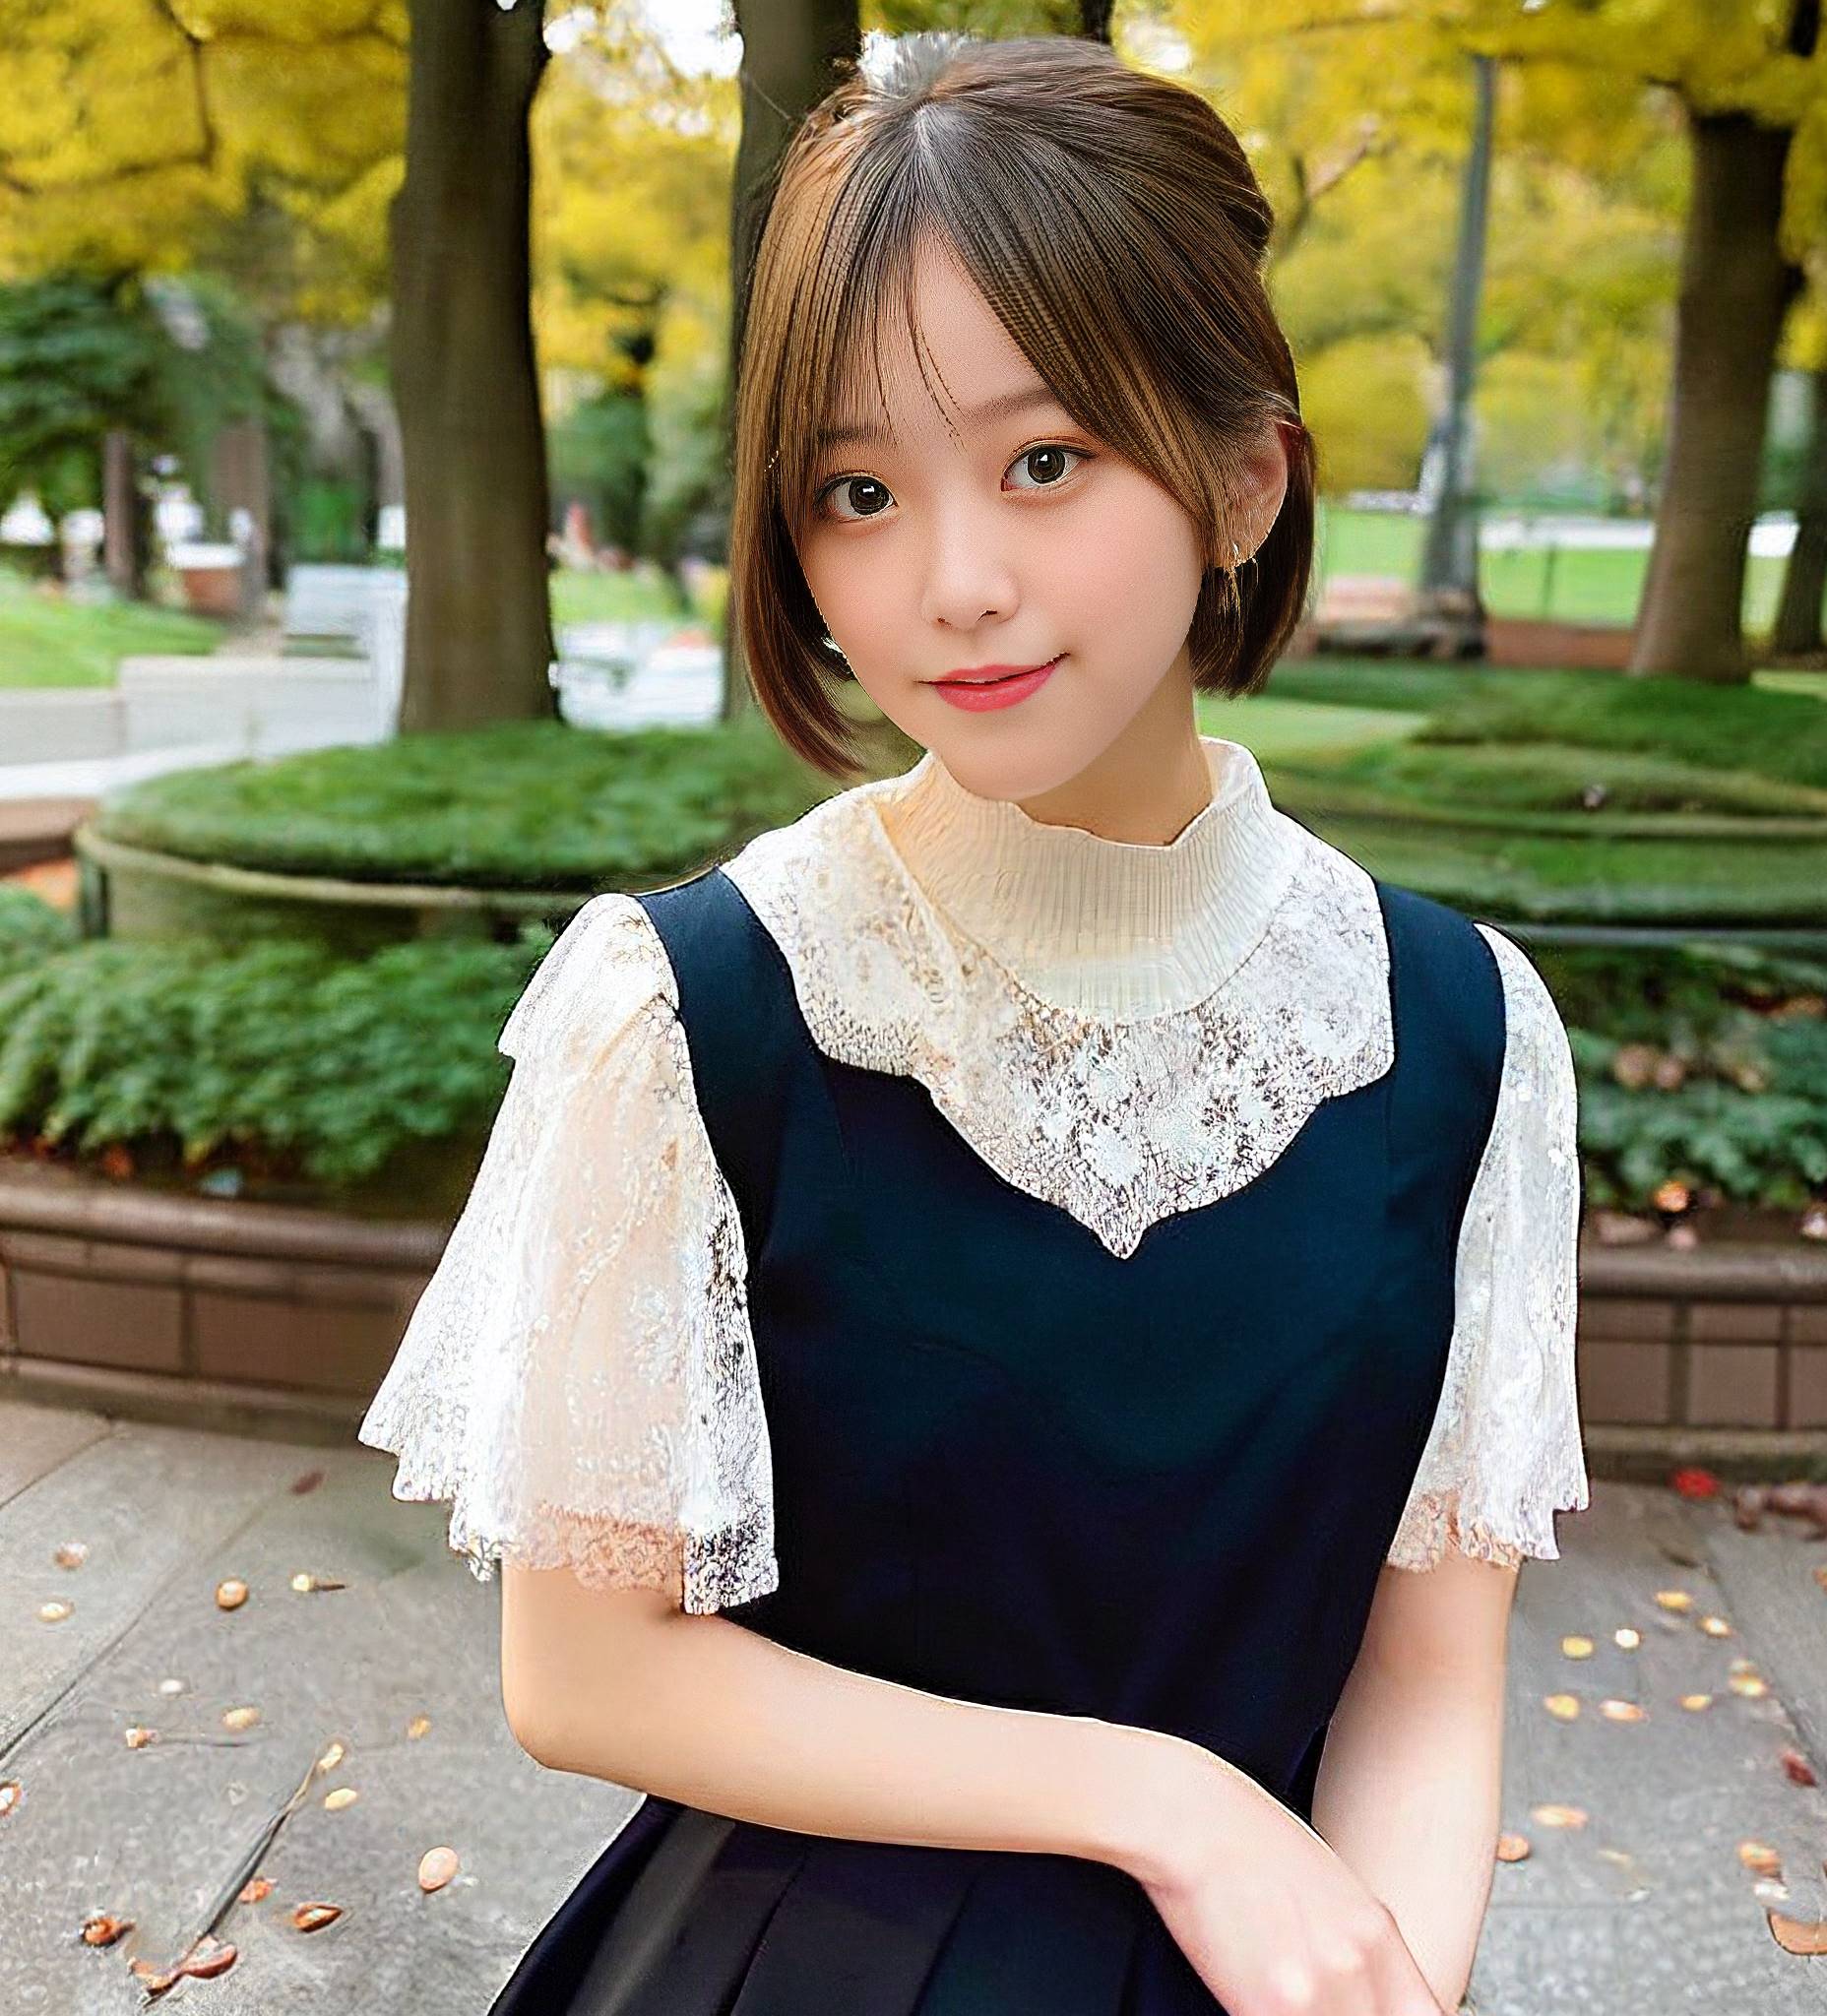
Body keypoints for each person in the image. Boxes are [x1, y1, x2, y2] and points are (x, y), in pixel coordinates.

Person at [355, 28, 1588, 2016]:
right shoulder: (688, 1009)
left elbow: (1427, 1680)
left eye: (1042, 460)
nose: (951, 584)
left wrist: (1387, 1981)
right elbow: (580, 1672)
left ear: (1245, 474)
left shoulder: (1456, 1036)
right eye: (856, 486)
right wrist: (1166, 1801)